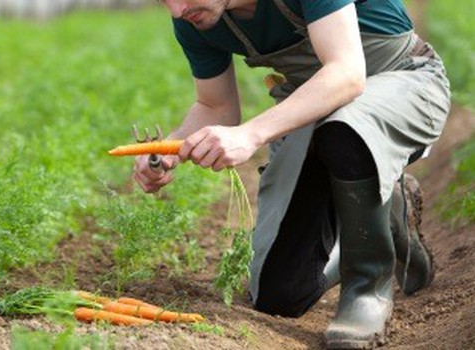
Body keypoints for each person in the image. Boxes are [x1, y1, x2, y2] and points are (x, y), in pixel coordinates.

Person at [132, 0, 451, 348]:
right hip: (317, 112)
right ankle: (383, 223)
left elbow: (346, 74)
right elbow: (216, 106)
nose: (177, 11)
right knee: (279, 293)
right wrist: (169, 150)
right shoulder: (197, 17)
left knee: (345, 128)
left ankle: (367, 287)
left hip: (405, 83)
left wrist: (251, 134)